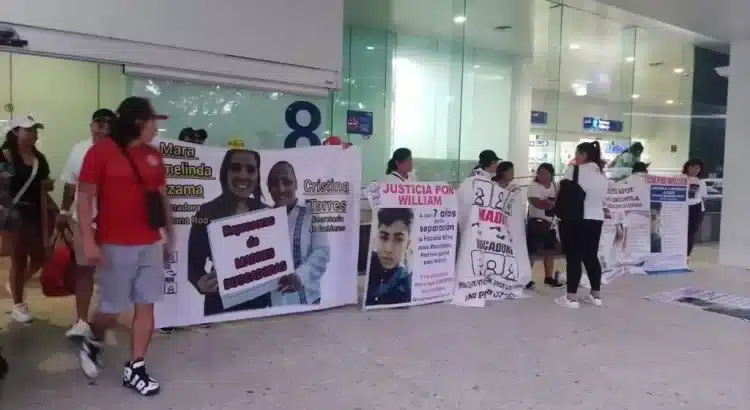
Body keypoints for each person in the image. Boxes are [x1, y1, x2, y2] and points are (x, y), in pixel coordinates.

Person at [76, 97, 172, 396]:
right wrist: (89, 241)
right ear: (138, 123)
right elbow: (85, 198)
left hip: (150, 243)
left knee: (146, 304)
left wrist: (169, 235)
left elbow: (161, 196)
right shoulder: (100, 153)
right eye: (153, 122)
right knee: (111, 309)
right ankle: (91, 337)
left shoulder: (154, 156)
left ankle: (136, 367)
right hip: (115, 244)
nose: (157, 128)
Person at [187, 148, 270, 316]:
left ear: (257, 175)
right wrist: (199, 282)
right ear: (225, 173)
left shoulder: (267, 212)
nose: (243, 175)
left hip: (261, 304)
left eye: (251, 170)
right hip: (220, 304)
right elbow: (193, 264)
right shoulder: (206, 212)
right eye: (236, 168)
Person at [58, 108, 116, 338]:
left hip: (112, 222)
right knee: (84, 270)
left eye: (108, 122)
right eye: (99, 122)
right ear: (91, 124)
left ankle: (105, 317)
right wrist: (63, 210)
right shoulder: (79, 149)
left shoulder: (120, 151)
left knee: (113, 273)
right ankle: (81, 321)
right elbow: (70, 184)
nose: (102, 126)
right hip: (83, 221)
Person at [0, 115, 53, 323]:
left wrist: (47, 185)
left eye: (34, 130)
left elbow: (44, 184)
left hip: (35, 213)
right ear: (15, 132)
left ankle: (16, 284)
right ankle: (18, 304)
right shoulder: (5, 156)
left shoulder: (40, 159)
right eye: (27, 130)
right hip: (13, 215)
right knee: (19, 258)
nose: (32, 134)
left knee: (41, 255)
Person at [266, 161, 330, 306]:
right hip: (271, 304)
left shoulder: (312, 213)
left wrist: (299, 276)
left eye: (287, 182)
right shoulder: (262, 219)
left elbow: (322, 252)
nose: (281, 189)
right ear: (269, 188)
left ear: (296, 184)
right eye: (275, 184)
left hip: (307, 300)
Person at [556, 141, 609, 308]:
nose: (575, 157)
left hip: (577, 218)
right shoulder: (602, 175)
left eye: (577, 153)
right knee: (591, 256)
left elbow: (562, 192)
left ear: (584, 155)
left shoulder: (574, 170)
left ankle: (571, 298)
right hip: (596, 219)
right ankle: (596, 295)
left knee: (574, 257)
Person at [365, 207, 413, 306]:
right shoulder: (366, 264)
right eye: (383, 237)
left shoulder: (408, 283)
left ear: (407, 244)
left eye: (399, 239)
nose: (388, 249)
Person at [525, 163, 563, 289]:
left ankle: (549, 277)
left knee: (550, 251)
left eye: (546, 173)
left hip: (551, 223)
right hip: (536, 222)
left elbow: (558, 202)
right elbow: (536, 202)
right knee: (532, 251)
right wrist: (550, 205)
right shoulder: (533, 186)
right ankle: (526, 278)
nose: (542, 176)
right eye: (540, 173)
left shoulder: (555, 186)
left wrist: (550, 205)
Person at [683, 158, 707, 257]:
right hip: (681, 209)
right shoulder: (680, 178)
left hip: (696, 209)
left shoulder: (701, 182)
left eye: (698, 168)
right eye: (693, 167)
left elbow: (704, 197)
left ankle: (686, 257)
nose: (695, 170)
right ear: (687, 167)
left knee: (690, 234)